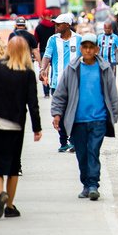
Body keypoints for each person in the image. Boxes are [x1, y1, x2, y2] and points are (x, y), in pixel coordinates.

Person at [0, 37, 41, 219]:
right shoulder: (28, 72)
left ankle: (0, 194)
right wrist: (37, 128)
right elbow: (32, 103)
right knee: (13, 166)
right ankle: (10, 206)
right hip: (16, 125)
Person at [51, 33, 118, 201]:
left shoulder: (104, 68)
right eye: (85, 47)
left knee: (93, 151)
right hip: (78, 120)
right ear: (80, 49)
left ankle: (94, 184)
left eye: (91, 47)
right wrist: (57, 113)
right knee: (82, 154)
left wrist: (114, 114)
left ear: (97, 49)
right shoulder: (72, 68)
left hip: (99, 119)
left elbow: (112, 92)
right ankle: (86, 185)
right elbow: (61, 93)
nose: (88, 50)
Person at [40, 14, 82, 153]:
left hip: (75, 84)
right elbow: (47, 56)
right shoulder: (52, 40)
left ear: (67, 25)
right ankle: (63, 141)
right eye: (55, 24)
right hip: (57, 84)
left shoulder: (79, 39)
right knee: (61, 113)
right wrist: (42, 69)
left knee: (75, 113)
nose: (56, 26)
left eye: (58, 24)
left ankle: (73, 141)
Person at [34, 11, 56, 98]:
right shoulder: (54, 26)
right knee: (54, 69)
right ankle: (54, 86)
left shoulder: (38, 27)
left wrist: (36, 55)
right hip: (54, 51)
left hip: (43, 51)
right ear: (50, 16)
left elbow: (36, 41)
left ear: (42, 16)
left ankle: (46, 92)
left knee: (43, 70)